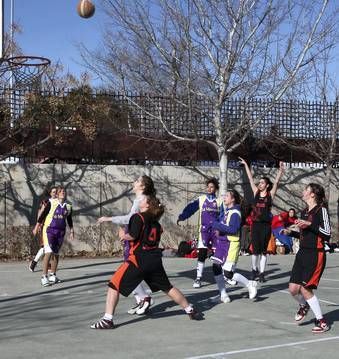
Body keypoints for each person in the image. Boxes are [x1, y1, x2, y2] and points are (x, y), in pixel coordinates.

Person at [90, 195, 203, 329]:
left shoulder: (139, 217)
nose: (140, 201)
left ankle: (107, 319)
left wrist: (122, 235)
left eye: (143, 200)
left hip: (138, 259)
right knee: (168, 287)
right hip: (154, 260)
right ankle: (190, 309)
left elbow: (133, 235)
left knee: (114, 285)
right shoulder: (156, 223)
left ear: (148, 205)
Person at [97, 175, 156, 315]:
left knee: (129, 271)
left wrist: (109, 218)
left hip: (137, 242)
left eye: (137, 181)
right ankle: (141, 299)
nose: (133, 182)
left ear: (142, 186)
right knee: (129, 269)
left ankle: (145, 298)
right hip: (136, 239)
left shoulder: (142, 200)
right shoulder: (140, 200)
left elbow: (130, 219)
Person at [285, 183, 331, 333]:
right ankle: (304, 305)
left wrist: (310, 224)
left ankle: (322, 322)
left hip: (315, 254)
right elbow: (305, 235)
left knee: (305, 289)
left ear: (312, 194)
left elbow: (327, 233)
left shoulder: (321, 210)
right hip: (302, 253)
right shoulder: (304, 211)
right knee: (293, 289)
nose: (303, 191)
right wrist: (291, 233)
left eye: (306, 189)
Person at [239, 158, 284, 282]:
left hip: (266, 226)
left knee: (264, 252)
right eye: (260, 182)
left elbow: (276, 182)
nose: (260, 184)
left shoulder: (270, 194)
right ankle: (254, 270)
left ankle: (262, 273)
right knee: (255, 252)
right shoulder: (256, 192)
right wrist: (246, 165)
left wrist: (280, 170)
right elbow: (249, 178)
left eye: (262, 183)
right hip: (256, 225)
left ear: (267, 185)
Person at [210, 189, 257, 303]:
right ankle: (223, 294)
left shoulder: (236, 212)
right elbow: (224, 226)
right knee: (216, 267)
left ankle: (249, 284)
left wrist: (217, 225)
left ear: (233, 199)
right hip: (223, 243)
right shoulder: (228, 211)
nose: (224, 197)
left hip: (231, 244)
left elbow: (233, 229)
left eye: (227, 196)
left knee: (228, 273)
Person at [177, 178, 222, 288]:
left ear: (215, 188)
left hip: (215, 232)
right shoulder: (201, 199)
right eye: (208, 186)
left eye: (212, 187)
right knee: (202, 253)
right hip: (204, 231)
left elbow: (223, 216)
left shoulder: (220, 201)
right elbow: (190, 208)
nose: (209, 188)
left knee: (218, 255)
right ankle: (198, 278)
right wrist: (182, 217)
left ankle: (222, 277)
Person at [33, 186, 74, 286]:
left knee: (56, 253)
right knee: (48, 251)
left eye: (64, 191)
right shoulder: (51, 203)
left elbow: (69, 219)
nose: (63, 192)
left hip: (60, 232)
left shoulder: (68, 206)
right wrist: (36, 227)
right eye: (61, 191)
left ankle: (53, 275)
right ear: (58, 194)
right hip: (49, 230)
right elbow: (42, 215)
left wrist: (72, 230)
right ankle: (44, 277)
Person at [29, 186, 58, 272]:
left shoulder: (58, 202)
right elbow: (40, 213)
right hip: (45, 227)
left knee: (49, 247)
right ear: (50, 193)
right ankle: (33, 263)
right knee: (45, 247)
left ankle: (46, 264)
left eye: (56, 192)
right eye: (53, 192)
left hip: (54, 227)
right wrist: (38, 226)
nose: (55, 193)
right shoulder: (46, 202)